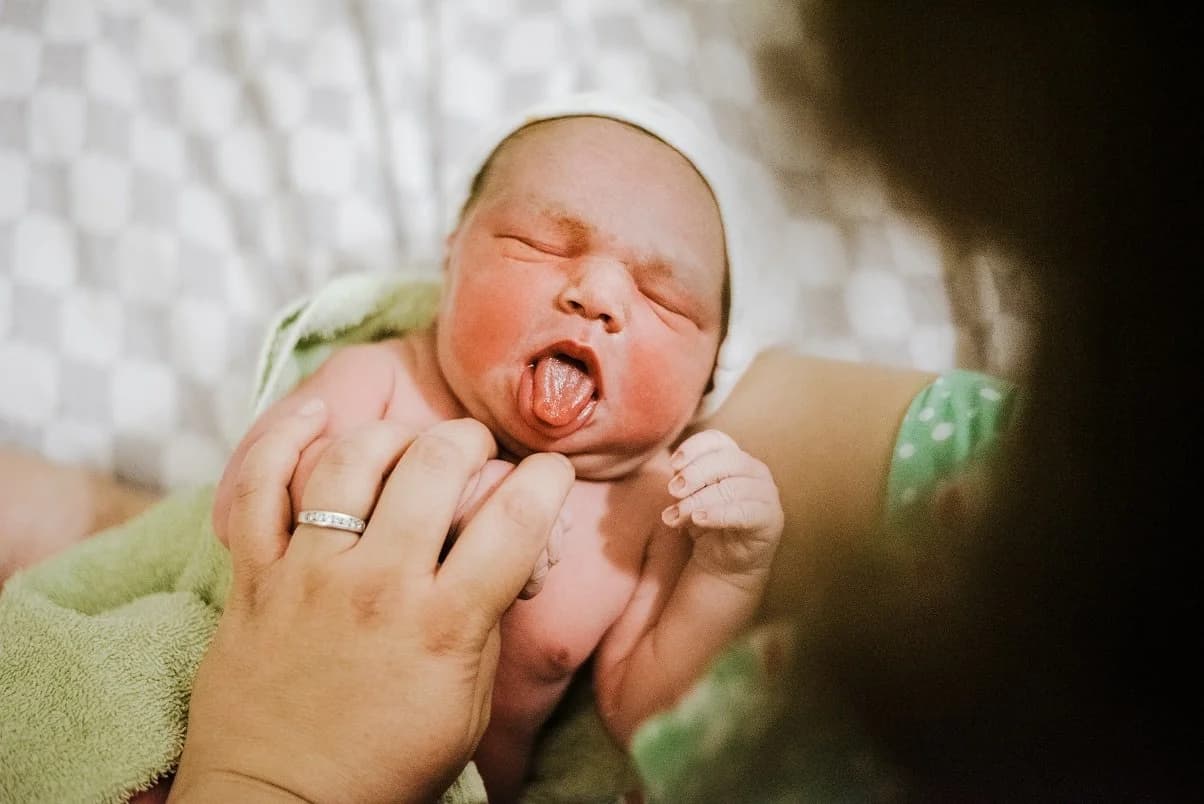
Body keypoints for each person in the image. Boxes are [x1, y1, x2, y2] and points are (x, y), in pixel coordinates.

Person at [0, 98, 785, 804]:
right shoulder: (384, 377)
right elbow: (242, 497)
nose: (598, 296)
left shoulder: (652, 506)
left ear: (711, 373)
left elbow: (647, 710)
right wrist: (441, 502)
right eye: (540, 243)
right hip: (228, 717)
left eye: (663, 299)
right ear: (452, 260)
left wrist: (729, 569)